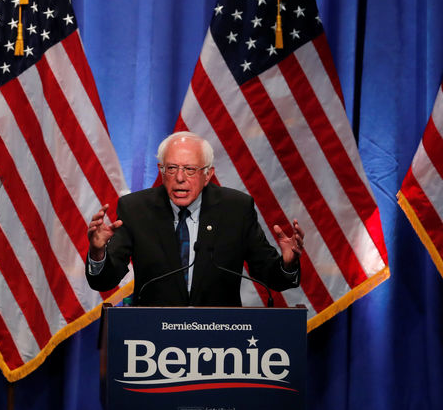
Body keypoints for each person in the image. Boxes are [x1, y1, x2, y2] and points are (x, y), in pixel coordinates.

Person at [86, 131, 303, 306]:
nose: (180, 178)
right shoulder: (135, 209)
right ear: (161, 171)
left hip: (220, 339)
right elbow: (105, 280)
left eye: (190, 169)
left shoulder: (236, 209)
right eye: (172, 168)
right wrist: (97, 253)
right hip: (153, 337)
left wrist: (287, 263)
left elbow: (271, 276)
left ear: (208, 174)